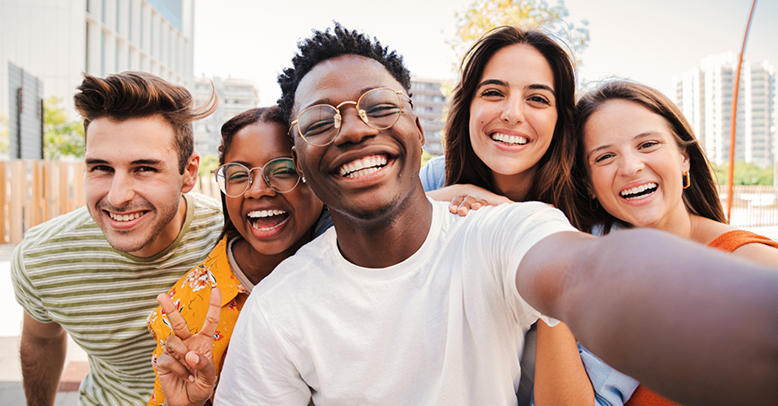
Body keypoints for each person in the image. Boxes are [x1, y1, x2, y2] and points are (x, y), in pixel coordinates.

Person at [157, 25, 778, 406]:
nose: (352, 129)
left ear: (417, 127)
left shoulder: (510, 229)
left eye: (378, 106)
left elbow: (587, 274)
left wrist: (742, 315)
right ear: (300, 155)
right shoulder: (282, 305)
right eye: (321, 120)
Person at [543, 79, 778, 405]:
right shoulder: (587, 252)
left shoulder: (750, 262)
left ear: (684, 157)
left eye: (648, 144)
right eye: (605, 156)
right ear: (588, 186)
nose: (631, 167)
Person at [10, 72, 224, 406]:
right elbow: (41, 340)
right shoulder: (43, 257)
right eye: (101, 168)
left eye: (144, 168)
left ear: (189, 173)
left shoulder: (231, 239)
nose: (118, 196)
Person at [418, 26, 590, 406]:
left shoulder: (592, 222)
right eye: (493, 92)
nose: (512, 114)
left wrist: (530, 231)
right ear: (468, 106)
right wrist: (454, 199)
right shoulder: (437, 180)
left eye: (538, 99)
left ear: (561, 118)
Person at [145, 106, 326, 405]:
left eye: (283, 170)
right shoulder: (190, 312)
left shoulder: (354, 265)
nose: (257, 190)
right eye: (238, 175)